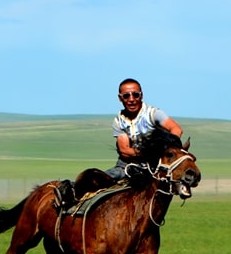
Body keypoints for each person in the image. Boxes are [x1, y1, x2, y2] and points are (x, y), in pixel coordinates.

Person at [55, 78, 184, 209]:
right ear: (120, 98)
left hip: (153, 167)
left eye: (135, 94)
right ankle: (71, 199)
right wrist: (147, 152)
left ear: (141, 95)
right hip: (126, 167)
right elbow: (125, 150)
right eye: (126, 96)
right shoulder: (119, 120)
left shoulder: (154, 114)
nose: (131, 99)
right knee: (96, 180)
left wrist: (163, 148)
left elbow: (176, 129)